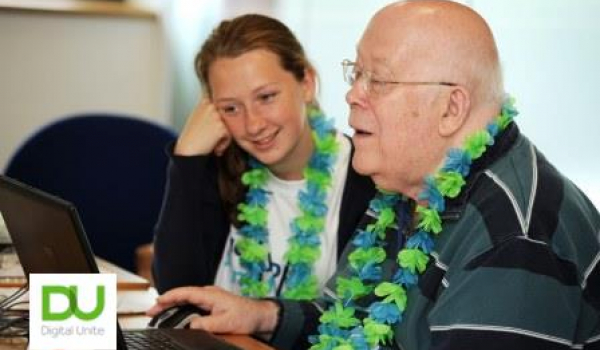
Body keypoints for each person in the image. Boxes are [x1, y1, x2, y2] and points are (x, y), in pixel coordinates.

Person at [148, 2, 600, 349]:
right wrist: (262, 316)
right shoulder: (407, 190)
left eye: (376, 80)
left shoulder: (512, 241)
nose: (350, 96)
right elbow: (343, 314)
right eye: (355, 73)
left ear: (452, 107)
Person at [152, 14, 376, 300]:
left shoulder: (366, 175)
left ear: (306, 83)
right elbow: (175, 292)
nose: (253, 125)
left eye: (266, 97)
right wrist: (186, 159)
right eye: (231, 108)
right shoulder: (214, 170)